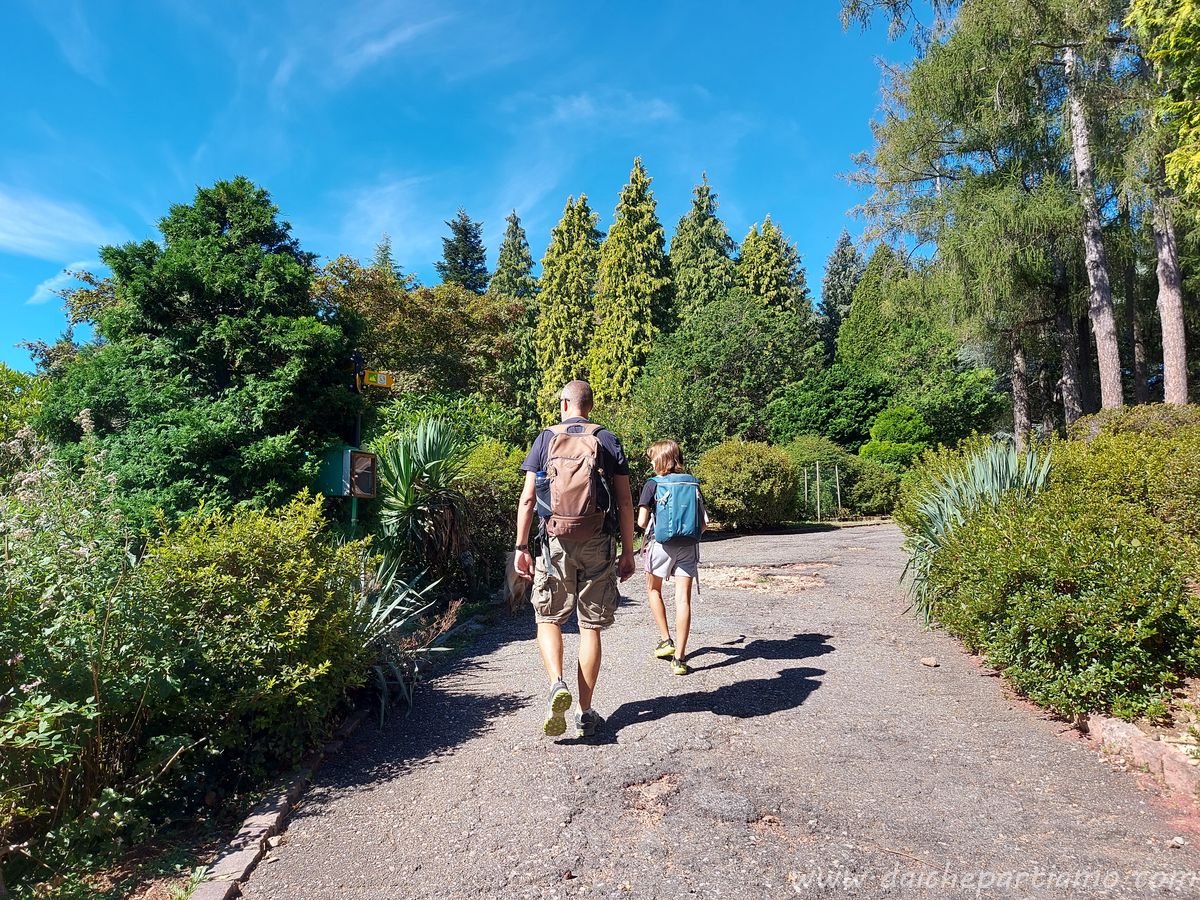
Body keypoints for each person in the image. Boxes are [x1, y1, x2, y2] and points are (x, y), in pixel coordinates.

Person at [514, 380, 636, 738]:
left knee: (549, 617)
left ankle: (556, 683)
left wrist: (522, 548)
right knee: (590, 626)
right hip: (598, 540)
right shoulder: (607, 439)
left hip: (555, 542)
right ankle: (585, 711)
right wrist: (628, 551)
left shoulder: (545, 438)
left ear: (565, 404)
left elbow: (526, 500)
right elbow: (626, 501)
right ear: (590, 406)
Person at [636, 440, 707, 676]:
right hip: (688, 546)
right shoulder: (692, 483)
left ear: (660, 460)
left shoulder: (653, 484)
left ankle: (666, 640)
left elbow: (642, 522)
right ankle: (680, 658)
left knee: (653, 590)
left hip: (660, 545)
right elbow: (704, 524)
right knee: (683, 600)